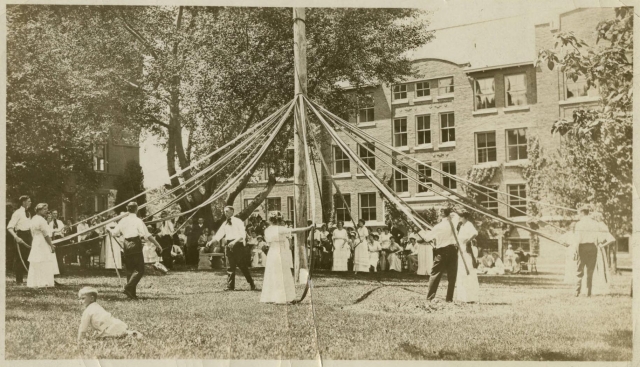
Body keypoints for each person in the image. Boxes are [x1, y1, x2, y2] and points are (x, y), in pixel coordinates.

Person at [108, 202, 163, 300]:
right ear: (137, 209)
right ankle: (128, 288)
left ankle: (131, 294)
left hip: (126, 245)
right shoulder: (138, 221)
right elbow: (147, 234)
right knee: (140, 270)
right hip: (135, 244)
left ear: (127, 209)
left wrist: (108, 229)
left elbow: (114, 233)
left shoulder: (122, 220)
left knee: (130, 270)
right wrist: (158, 244)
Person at [260, 213, 313, 304]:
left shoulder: (267, 230)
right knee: (281, 273)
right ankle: (281, 297)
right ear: (278, 220)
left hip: (272, 252)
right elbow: (295, 230)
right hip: (279, 252)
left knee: (272, 273)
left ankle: (270, 297)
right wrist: (309, 228)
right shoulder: (279, 229)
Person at [208, 206, 256, 291]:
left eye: (227, 211)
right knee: (230, 266)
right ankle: (230, 286)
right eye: (224, 211)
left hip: (238, 245)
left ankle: (251, 283)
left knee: (242, 266)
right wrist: (211, 241)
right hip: (228, 245)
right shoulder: (225, 223)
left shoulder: (238, 221)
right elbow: (219, 234)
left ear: (232, 212)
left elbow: (242, 235)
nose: (225, 213)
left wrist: (234, 242)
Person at [572, 205, 615, 297]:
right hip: (592, 247)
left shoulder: (579, 224)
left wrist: (575, 251)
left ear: (582, 213)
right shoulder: (595, 223)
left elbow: (577, 240)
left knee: (579, 269)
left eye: (579, 213)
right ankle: (588, 292)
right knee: (590, 270)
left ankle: (577, 291)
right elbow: (599, 237)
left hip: (582, 247)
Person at [419, 207, 460, 302]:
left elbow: (426, 238)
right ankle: (449, 298)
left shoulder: (438, 227)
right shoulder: (454, 222)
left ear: (441, 213)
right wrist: (450, 213)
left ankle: (430, 298)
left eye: (440, 211)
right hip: (453, 251)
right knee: (452, 275)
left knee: (435, 274)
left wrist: (421, 234)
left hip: (441, 252)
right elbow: (456, 215)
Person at [77, 287, 142, 344]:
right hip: (116, 324)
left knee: (101, 338)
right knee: (121, 333)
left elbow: (83, 328)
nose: (80, 301)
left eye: (83, 298)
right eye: (79, 299)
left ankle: (126, 334)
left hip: (109, 330)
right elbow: (100, 321)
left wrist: (80, 340)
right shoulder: (97, 306)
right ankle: (129, 333)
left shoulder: (87, 311)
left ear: (91, 299)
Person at [26, 203, 59, 288]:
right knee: (43, 260)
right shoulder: (41, 220)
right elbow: (46, 234)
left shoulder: (33, 218)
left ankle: (35, 282)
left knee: (38, 260)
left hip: (36, 240)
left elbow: (32, 232)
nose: (46, 211)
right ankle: (43, 282)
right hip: (41, 241)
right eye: (44, 209)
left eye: (47, 209)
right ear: (39, 210)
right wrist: (51, 245)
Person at [7, 195, 33, 284]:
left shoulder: (28, 213)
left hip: (28, 236)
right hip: (20, 236)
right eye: (29, 201)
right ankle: (19, 280)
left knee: (29, 257)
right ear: (23, 202)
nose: (30, 202)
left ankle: (31, 279)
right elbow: (9, 227)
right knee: (20, 258)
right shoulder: (17, 213)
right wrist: (16, 237)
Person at [454, 212, 480, 303]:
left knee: (468, 270)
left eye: (460, 217)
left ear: (464, 217)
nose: (459, 218)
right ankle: (462, 296)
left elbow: (475, 233)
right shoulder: (462, 226)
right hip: (461, 250)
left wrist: (468, 241)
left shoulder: (469, 224)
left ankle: (470, 296)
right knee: (461, 271)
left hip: (466, 251)